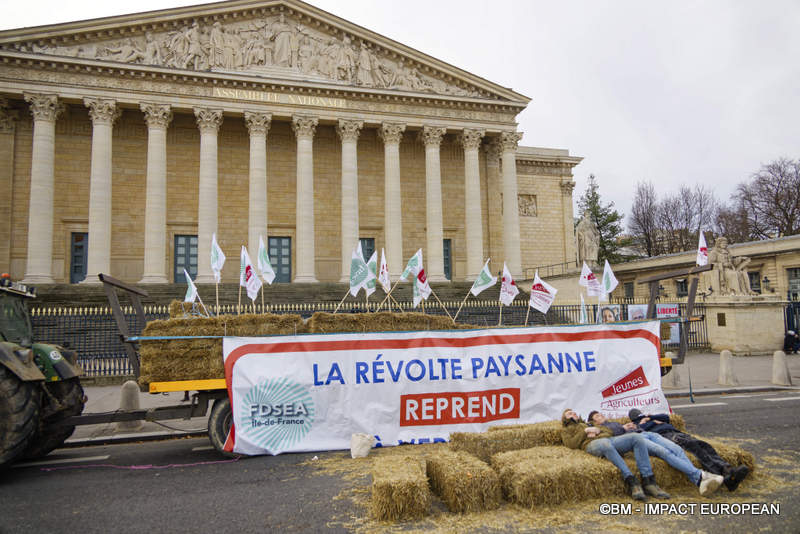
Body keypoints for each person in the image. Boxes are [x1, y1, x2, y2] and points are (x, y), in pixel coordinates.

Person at [561, 409, 723, 500]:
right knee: (606, 443)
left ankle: (649, 481)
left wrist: (596, 429)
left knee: (637, 438)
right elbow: (572, 444)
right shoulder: (567, 429)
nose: (573, 414)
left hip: (611, 439)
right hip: (592, 445)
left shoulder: (589, 423)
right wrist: (586, 431)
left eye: (574, 412)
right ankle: (632, 481)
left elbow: (608, 430)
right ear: (565, 419)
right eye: (569, 414)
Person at [628, 408, 750, 491]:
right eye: (639, 415)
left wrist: (650, 417)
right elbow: (643, 432)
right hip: (668, 436)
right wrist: (645, 422)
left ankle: (727, 469)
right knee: (697, 450)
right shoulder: (638, 425)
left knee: (705, 446)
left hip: (677, 432)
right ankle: (724, 475)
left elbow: (667, 417)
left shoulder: (652, 418)